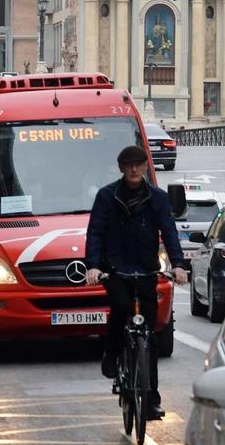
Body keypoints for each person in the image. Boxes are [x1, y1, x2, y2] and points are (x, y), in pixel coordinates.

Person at [84, 146, 188, 421]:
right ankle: (112, 354)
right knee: (120, 306)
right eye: (128, 165)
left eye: (138, 165)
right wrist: (93, 266)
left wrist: (177, 264)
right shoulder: (107, 197)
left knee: (150, 338)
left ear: (145, 167)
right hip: (116, 268)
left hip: (145, 270)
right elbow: (95, 232)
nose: (133, 170)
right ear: (121, 168)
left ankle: (151, 399)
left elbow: (169, 232)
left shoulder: (158, 199)